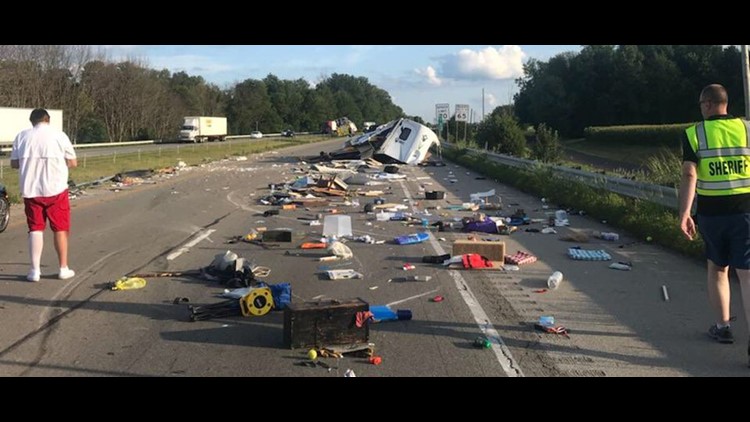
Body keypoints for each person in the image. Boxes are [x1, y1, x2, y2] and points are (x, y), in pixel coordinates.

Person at [679, 84, 750, 367]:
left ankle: (722, 327)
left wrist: (685, 213)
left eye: (700, 104)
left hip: (712, 214)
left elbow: (689, 174)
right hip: (746, 211)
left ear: (708, 104)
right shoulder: (746, 129)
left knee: (718, 269)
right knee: (747, 276)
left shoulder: (694, 133)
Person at [10, 108, 77, 282]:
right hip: (56, 188)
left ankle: (34, 270)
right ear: (48, 120)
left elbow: (14, 164)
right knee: (60, 228)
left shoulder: (22, 136)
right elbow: (72, 162)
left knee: (35, 228)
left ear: (32, 121)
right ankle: (63, 267)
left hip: (31, 189)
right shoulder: (59, 135)